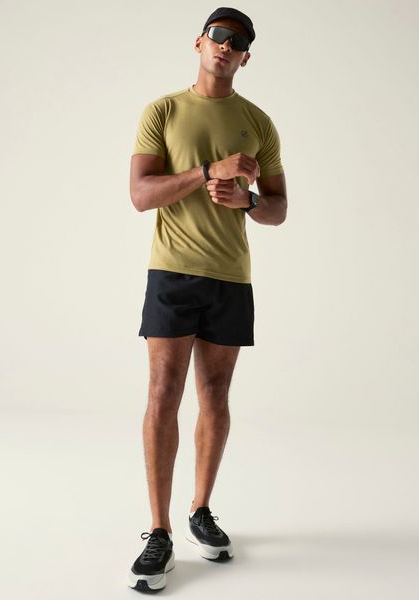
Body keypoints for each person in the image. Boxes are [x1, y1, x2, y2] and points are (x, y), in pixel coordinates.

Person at [127, 6, 287, 592]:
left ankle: (200, 510)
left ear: (246, 56)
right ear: (199, 42)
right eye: (218, 36)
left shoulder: (259, 123)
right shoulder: (163, 111)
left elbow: (279, 208)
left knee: (215, 395)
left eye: (237, 42)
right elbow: (140, 194)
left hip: (230, 277)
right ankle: (158, 531)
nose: (226, 46)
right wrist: (205, 171)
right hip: (172, 273)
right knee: (162, 393)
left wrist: (248, 201)